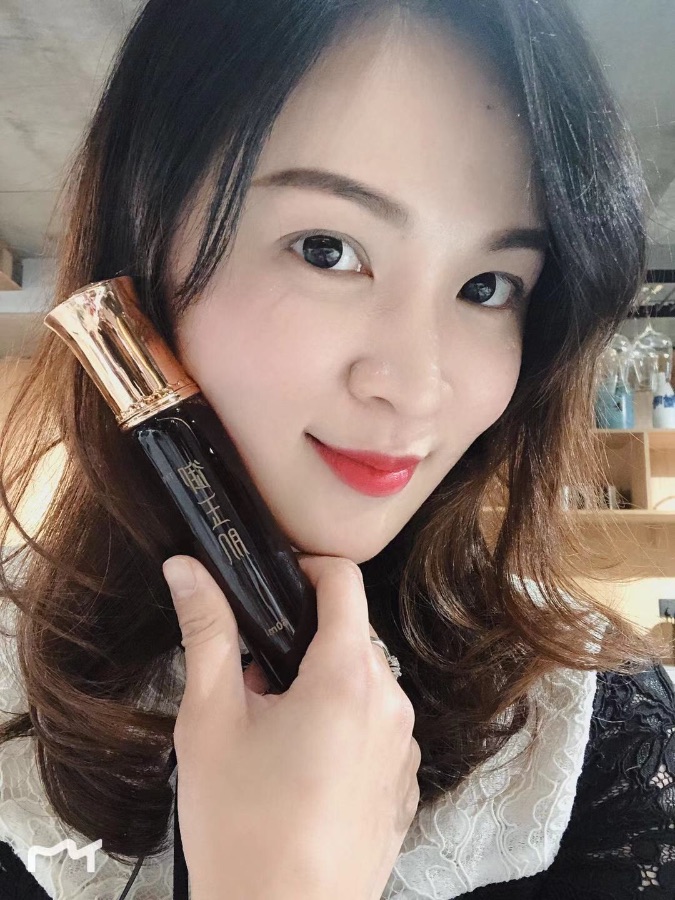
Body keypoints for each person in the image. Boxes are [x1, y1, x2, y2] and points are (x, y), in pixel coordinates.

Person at [0, 0, 674, 897]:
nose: (416, 386)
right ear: (138, 250)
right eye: (326, 249)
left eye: (486, 285)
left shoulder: (593, 739)